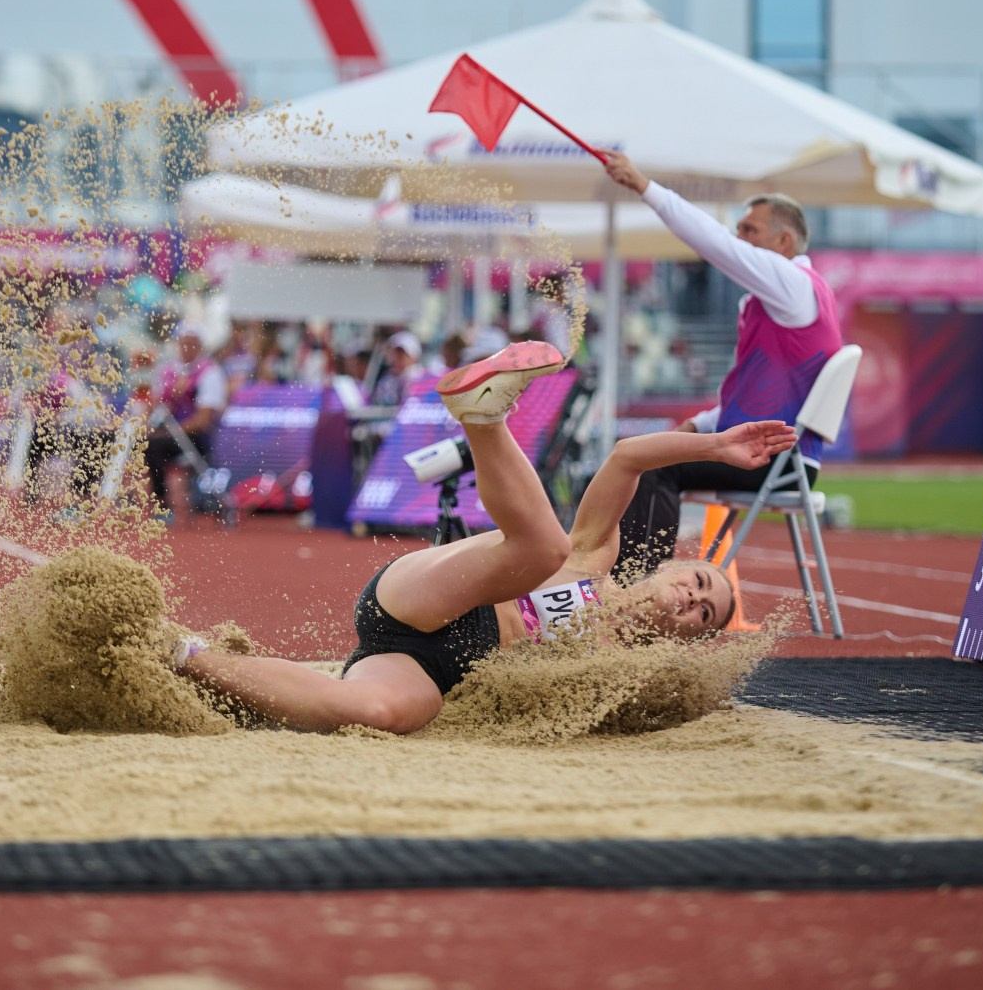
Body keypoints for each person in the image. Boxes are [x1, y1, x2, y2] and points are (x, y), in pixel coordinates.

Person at [169, 341, 795, 733]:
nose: (693, 598)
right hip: (435, 597)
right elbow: (629, 456)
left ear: (688, 638)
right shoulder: (597, 557)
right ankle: (484, 417)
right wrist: (714, 444)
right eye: (699, 580)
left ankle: (186, 657)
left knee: (384, 714)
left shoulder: (624, 673)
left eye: (705, 614)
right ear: (670, 566)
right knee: (545, 549)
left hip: (428, 664)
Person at [599, 151, 843, 580]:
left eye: (750, 230)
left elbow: (717, 244)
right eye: (740, 229)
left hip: (777, 461)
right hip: (771, 453)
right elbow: (747, 397)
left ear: (784, 241)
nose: (740, 237)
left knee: (654, 463)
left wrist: (644, 186)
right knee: (653, 453)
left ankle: (635, 591)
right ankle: (616, 578)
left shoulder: (795, 287)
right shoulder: (773, 302)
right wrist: (697, 424)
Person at [142, 322, 228, 513]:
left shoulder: (210, 372)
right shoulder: (166, 371)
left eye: (192, 343)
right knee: (140, 442)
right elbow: (154, 406)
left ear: (200, 345)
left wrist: (167, 431)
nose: (187, 348)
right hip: (168, 432)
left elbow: (203, 420)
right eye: (183, 343)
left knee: (154, 445)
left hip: (196, 437)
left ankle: (161, 504)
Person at [367, 330, 425, 407]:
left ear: (414, 357)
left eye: (401, 354)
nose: (394, 358)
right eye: (392, 353)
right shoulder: (386, 380)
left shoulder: (422, 379)